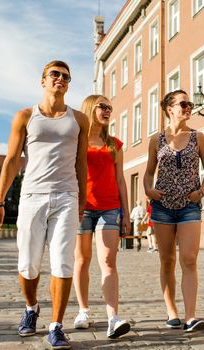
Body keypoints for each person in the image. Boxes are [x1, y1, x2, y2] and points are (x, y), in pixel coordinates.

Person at [0, 60, 89, 350]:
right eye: (54, 74)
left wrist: (81, 199)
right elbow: (11, 161)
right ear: (43, 81)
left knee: (62, 261)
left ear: (69, 84)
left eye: (65, 76)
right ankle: (31, 307)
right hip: (32, 196)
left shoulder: (79, 119)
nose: (60, 78)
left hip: (67, 197)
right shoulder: (25, 116)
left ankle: (56, 326)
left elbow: (81, 163)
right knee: (28, 263)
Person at [143, 89, 204, 333]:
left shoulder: (198, 137)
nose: (188, 107)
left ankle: (190, 316)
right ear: (169, 109)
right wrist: (148, 190)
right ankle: (171, 311)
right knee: (167, 261)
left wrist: (200, 192)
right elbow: (149, 171)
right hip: (162, 207)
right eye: (183, 103)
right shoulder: (157, 139)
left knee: (189, 259)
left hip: (189, 207)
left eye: (190, 103)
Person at [72, 95, 131, 339]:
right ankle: (83, 311)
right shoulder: (76, 141)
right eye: (102, 107)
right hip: (81, 207)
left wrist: (126, 213)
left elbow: (120, 179)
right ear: (90, 109)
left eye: (110, 108)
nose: (108, 111)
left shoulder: (115, 144)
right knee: (82, 259)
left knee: (108, 260)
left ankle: (112, 318)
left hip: (109, 207)